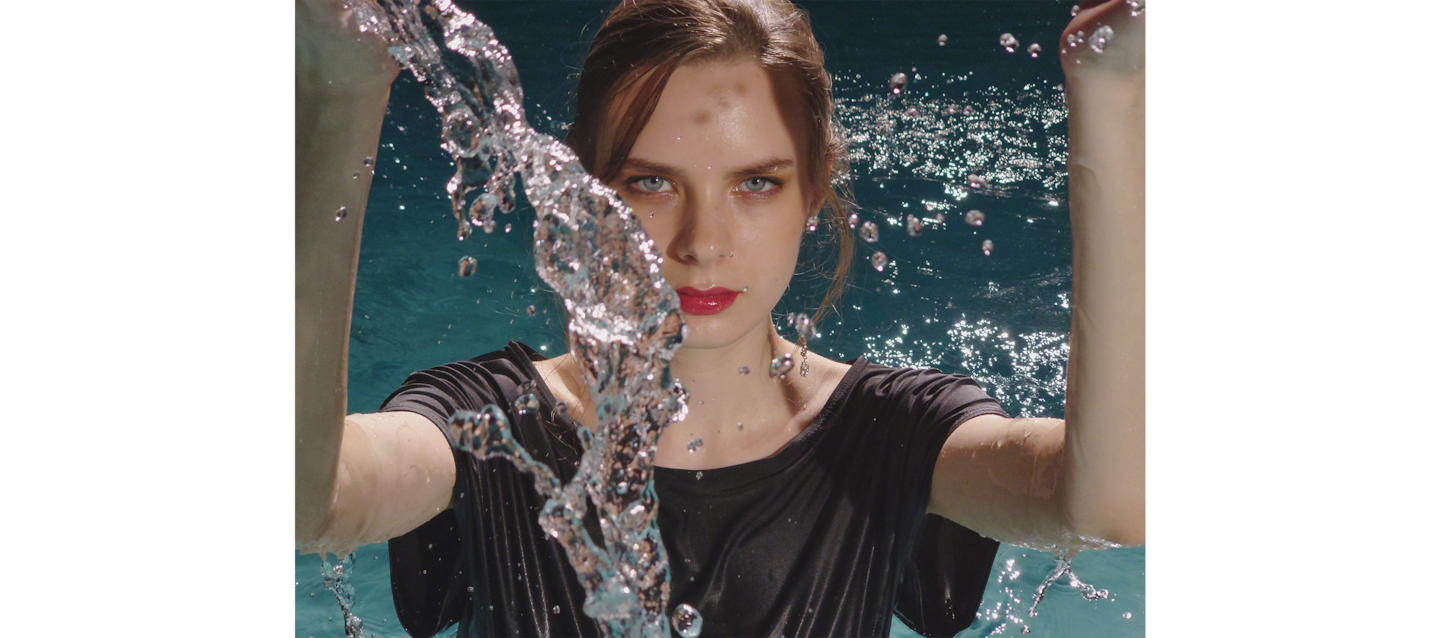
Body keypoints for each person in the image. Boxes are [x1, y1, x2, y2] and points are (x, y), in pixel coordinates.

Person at [293, 0, 1146, 636]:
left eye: (755, 184)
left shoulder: (891, 432)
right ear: (586, 192)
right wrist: (341, 90)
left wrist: (1112, 99)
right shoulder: (493, 423)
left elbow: (1105, 506)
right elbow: (312, 503)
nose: (701, 244)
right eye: (651, 182)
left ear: (813, 191)